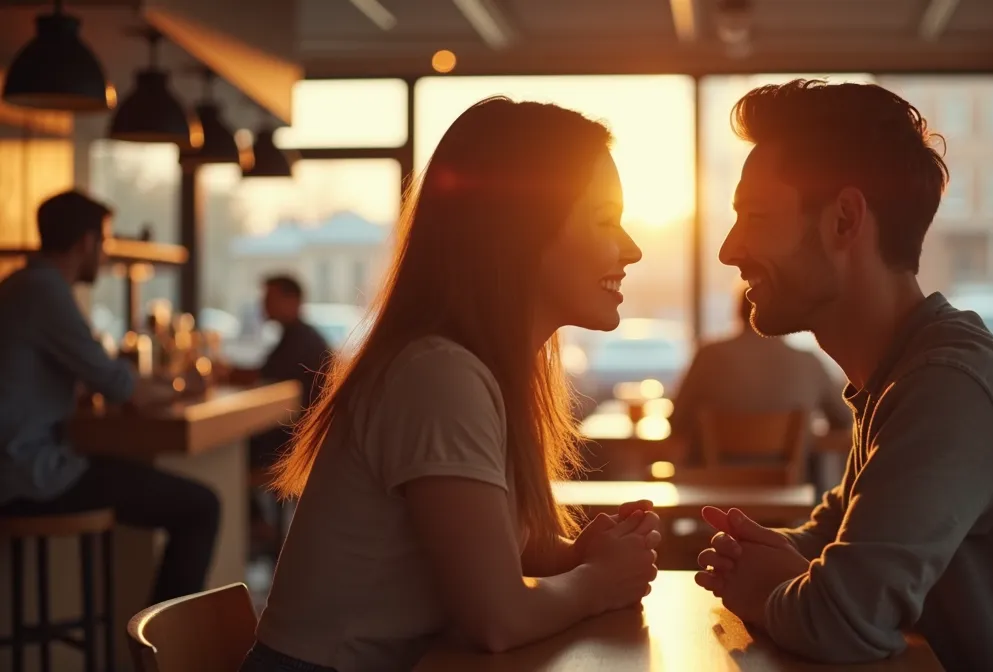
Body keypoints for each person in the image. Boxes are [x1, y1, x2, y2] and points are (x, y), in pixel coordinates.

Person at [693, 80, 993, 671]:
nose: (730, 250)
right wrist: (757, 555)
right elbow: (831, 544)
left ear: (844, 221)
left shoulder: (947, 384)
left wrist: (763, 588)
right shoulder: (899, 373)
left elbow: (842, 621)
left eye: (755, 216)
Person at [243, 98, 660, 672]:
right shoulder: (438, 375)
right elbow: (497, 620)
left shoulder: (479, 370)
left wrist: (575, 558)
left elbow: (491, 567)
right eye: (605, 219)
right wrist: (596, 582)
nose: (632, 247)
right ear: (522, 230)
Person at [0, 190, 220, 605]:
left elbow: (85, 380)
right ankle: (164, 657)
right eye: (103, 243)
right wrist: (182, 387)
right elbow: (121, 389)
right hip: (27, 474)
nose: (104, 256)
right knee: (201, 507)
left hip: (20, 465)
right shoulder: (45, 292)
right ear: (86, 242)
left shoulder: (21, 285)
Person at [670, 287, 851, 475]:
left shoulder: (708, 356)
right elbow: (843, 418)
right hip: (789, 491)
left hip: (714, 491)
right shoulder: (808, 361)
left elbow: (677, 421)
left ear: (738, 311)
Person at [226, 274, 333, 470]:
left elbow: (260, 376)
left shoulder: (300, 341)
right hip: (305, 434)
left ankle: (240, 498)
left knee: (229, 444)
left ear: (293, 300)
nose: (264, 305)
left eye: (269, 299)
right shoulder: (301, 335)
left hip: (294, 440)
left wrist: (222, 372)